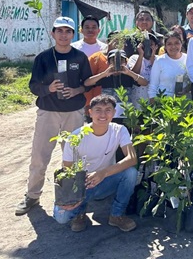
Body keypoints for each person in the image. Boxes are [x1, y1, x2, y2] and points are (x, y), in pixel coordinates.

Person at [15, 16, 92, 216]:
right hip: (48, 112)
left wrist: (76, 91)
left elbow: (88, 83)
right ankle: (32, 195)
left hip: (74, 113)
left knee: (74, 157)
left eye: (68, 31)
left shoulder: (80, 57)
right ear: (53, 33)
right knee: (40, 156)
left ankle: (74, 197)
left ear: (73, 35)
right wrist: (48, 88)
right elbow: (33, 86)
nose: (63, 35)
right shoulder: (43, 58)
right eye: (60, 31)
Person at [53, 95, 138, 233]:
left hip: (106, 181)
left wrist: (103, 173)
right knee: (61, 218)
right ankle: (79, 213)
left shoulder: (119, 130)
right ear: (90, 112)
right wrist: (74, 191)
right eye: (98, 110)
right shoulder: (76, 136)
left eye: (108, 110)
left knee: (131, 173)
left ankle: (116, 215)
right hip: (83, 185)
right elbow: (67, 168)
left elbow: (132, 158)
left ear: (114, 113)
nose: (103, 114)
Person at [85, 47, 142, 121]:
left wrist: (129, 73)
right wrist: (104, 74)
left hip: (125, 114)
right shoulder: (105, 76)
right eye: (113, 60)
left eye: (121, 60)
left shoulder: (129, 76)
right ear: (108, 62)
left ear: (125, 62)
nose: (117, 63)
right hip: (108, 113)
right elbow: (87, 83)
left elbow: (144, 82)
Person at [148, 31, 188, 100]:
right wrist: (153, 103)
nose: (173, 46)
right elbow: (153, 86)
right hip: (163, 102)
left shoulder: (188, 59)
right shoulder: (160, 61)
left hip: (183, 102)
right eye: (169, 44)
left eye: (177, 43)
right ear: (165, 47)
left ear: (181, 44)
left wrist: (186, 90)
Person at [126, 34, 158, 109]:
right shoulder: (134, 58)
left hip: (154, 97)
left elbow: (158, 74)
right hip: (138, 97)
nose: (148, 47)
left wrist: (152, 56)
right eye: (145, 45)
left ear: (156, 46)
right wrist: (141, 55)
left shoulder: (159, 59)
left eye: (151, 45)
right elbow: (134, 74)